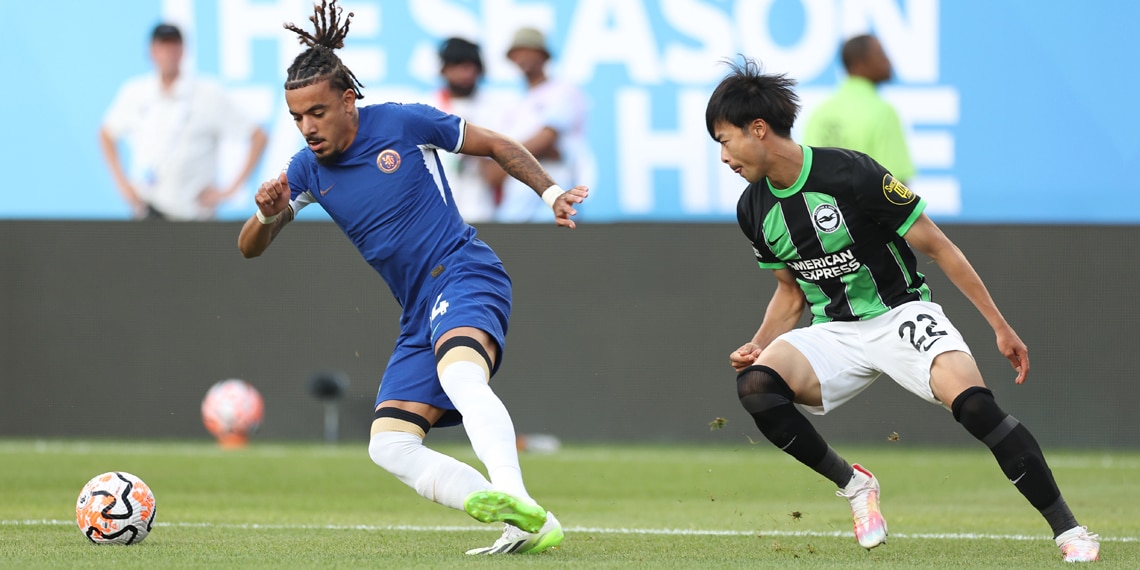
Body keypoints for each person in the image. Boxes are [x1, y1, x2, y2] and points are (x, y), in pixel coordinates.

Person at [705, 58, 1099, 563]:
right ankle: (854, 484)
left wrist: (999, 326)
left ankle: (1069, 531)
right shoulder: (752, 208)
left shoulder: (851, 173)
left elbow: (938, 246)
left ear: (757, 129)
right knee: (756, 385)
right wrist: (760, 344)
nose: (723, 156)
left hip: (900, 315)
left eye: (725, 139)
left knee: (977, 407)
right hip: (836, 333)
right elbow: (791, 292)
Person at [237, 0, 588, 556]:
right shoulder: (305, 171)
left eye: (318, 113)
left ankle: (518, 501)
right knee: (390, 446)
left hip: (465, 272)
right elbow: (250, 249)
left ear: (348, 99)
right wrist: (264, 212)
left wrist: (550, 193)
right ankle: (520, 518)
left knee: (462, 378)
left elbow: (496, 144)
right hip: (417, 310)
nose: (308, 128)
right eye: (297, 118)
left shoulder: (402, 121)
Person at [100, 23, 268, 220]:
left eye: (174, 46)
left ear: (183, 50)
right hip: (148, 211)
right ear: (152, 51)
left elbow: (258, 136)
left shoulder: (207, 93)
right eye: (163, 47)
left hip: (195, 213)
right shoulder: (136, 92)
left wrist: (230, 190)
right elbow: (106, 133)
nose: (168, 53)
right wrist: (123, 185)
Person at [483, 27, 587, 223]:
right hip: (516, 208)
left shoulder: (563, 92)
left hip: (555, 203)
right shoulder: (516, 105)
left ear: (543, 56)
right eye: (517, 52)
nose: (522, 57)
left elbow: (547, 140)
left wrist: (505, 160)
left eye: (529, 50)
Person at [802, 34, 915, 183]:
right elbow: (896, 188)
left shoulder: (819, 113)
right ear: (858, 64)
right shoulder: (883, 112)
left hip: (822, 206)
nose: (888, 61)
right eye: (880, 53)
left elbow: (806, 176)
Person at [428, 37, 498, 223]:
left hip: (480, 209)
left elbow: (498, 171)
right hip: (437, 212)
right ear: (444, 69)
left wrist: (472, 145)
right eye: (458, 65)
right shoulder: (428, 108)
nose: (465, 73)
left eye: (471, 66)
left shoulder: (494, 110)